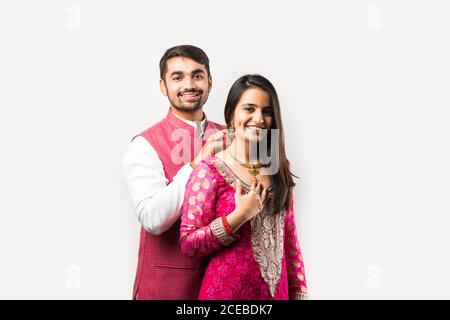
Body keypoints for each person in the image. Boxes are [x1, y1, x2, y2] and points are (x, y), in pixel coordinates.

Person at [179, 74, 308, 300]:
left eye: (266, 111)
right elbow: (189, 244)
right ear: (231, 115)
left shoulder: (279, 169)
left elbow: (290, 240)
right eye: (249, 109)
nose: (258, 118)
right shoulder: (209, 172)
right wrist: (238, 216)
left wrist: (299, 292)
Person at [122, 45, 226, 299]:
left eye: (197, 75)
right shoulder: (144, 145)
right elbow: (153, 218)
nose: (189, 84)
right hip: (168, 288)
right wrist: (196, 163)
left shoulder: (230, 135)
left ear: (209, 82)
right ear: (163, 86)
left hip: (224, 285)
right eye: (177, 77)